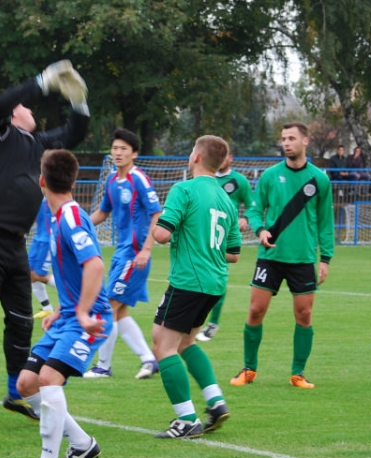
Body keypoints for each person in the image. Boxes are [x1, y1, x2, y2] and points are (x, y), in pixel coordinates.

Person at [0, 61, 90, 420]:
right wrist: (42, 82)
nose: (28, 108)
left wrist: (79, 101)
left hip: (15, 243)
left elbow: (76, 133)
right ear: (15, 116)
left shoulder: (40, 144)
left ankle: (16, 392)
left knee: (21, 319)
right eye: (24, 106)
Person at [16, 149, 112, 458]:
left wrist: (83, 312)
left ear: (42, 181)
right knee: (27, 384)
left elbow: (95, 265)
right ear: (73, 180)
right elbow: (73, 273)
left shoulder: (70, 217)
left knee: (48, 380)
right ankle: (83, 443)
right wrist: (61, 310)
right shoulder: (58, 216)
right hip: (70, 317)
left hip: (90, 318)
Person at [231, 122, 334, 389]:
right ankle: (249, 369)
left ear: (305, 141)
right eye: (283, 139)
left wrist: (325, 259)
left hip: (302, 258)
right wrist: (261, 229)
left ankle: (298, 373)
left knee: (304, 314)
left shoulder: (319, 180)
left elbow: (325, 223)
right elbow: (254, 211)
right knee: (255, 310)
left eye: (291, 138)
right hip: (270, 256)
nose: (286, 143)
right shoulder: (269, 176)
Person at [150, 135, 240, 439]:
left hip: (189, 280)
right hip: (215, 284)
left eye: (191, 151)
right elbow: (233, 254)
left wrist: (155, 225)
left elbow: (162, 235)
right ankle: (215, 401)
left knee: (162, 346)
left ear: (197, 158)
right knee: (186, 342)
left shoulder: (184, 190)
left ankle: (187, 420)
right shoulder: (226, 200)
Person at [83, 128, 162, 380]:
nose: (117, 153)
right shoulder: (111, 181)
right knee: (120, 311)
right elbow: (102, 213)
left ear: (134, 154)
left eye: (123, 149)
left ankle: (103, 366)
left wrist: (147, 249)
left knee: (107, 308)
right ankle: (148, 359)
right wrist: (76, 222)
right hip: (121, 254)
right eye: (115, 148)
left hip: (135, 254)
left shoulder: (139, 179)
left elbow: (157, 215)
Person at [196, 152, 251, 342]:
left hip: (224, 236)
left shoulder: (239, 181)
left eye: (224, 155)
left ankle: (213, 323)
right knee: (197, 276)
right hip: (202, 234)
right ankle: (195, 321)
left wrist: (245, 217)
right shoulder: (205, 180)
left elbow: (252, 205)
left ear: (231, 158)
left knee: (218, 276)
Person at [29, 198, 56, 320]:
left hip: (48, 240)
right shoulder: (39, 197)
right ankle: (47, 309)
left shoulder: (55, 197)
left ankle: (77, 294)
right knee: (30, 274)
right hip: (37, 239)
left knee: (39, 275)